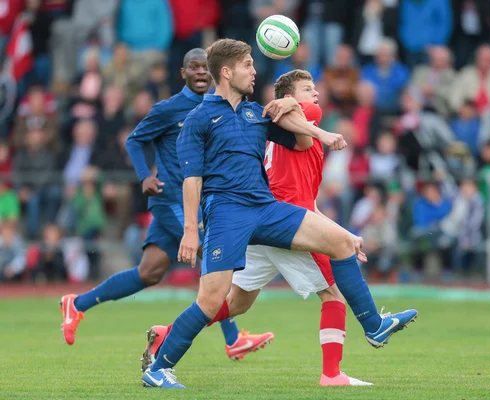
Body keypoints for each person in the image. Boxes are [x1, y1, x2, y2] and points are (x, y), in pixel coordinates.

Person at [142, 39, 416, 389]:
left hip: (265, 207)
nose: (255, 71)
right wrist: (191, 230)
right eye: (247, 65)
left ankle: (374, 325)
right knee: (212, 300)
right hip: (226, 213)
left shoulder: (256, 112)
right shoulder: (198, 120)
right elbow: (192, 179)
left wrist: (300, 115)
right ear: (226, 72)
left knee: (343, 241)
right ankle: (159, 368)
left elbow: (300, 143)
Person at [58, 49, 274, 363]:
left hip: (190, 203)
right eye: (194, 67)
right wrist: (144, 175)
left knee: (149, 272)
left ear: (214, 73)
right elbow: (134, 140)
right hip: (173, 200)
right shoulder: (169, 109)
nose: (201, 72)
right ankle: (233, 338)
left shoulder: (220, 107)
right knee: (215, 256)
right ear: (183, 73)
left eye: (205, 67)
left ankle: (77, 304)